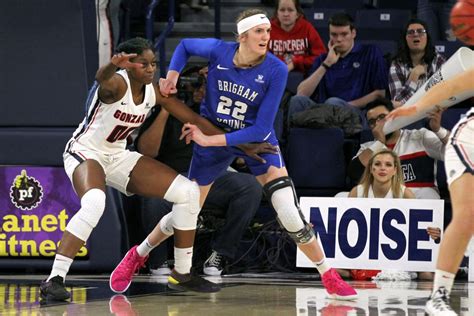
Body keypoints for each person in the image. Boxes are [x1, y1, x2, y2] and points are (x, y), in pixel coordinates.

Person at [157, 9, 357, 300]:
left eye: (268, 32)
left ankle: (328, 274)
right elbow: (185, 45)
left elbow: (262, 127)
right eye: (259, 32)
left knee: (289, 213)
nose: (266, 37)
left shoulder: (275, 69)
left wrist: (210, 140)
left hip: (255, 143)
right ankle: (140, 254)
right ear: (242, 36)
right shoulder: (219, 51)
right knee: (187, 210)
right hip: (215, 135)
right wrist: (172, 76)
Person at [39, 37, 239, 301]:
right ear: (128, 63)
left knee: (188, 192)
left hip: (118, 155)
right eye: (143, 63)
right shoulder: (116, 83)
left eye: (153, 64)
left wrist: (240, 146)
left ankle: (181, 273)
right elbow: (102, 79)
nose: (151, 69)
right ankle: (54, 279)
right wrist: (111, 65)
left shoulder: (153, 91)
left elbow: (193, 119)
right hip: (85, 152)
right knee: (95, 203)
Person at [135, 66, 262, 276]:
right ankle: (158, 260)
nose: (200, 88)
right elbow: (146, 151)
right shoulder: (165, 112)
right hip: (174, 177)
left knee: (250, 187)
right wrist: (168, 108)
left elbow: (240, 154)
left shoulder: (224, 112)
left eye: (205, 82)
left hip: (213, 178)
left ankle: (219, 253)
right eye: (197, 82)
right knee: (152, 197)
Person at [387, 67, 474, 316]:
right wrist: (415, 108)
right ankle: (439, 297)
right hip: (469, 139)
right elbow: (453, 85)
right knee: (467, 216)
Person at [286, 13, 387, 130]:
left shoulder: (370, 52)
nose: (339, 39)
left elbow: (380, 93)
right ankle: (292, 144)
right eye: (334, 35)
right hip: (323, 111)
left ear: (353, 33)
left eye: (344, 34)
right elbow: (302, 93)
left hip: (355, 112)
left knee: (333, 103)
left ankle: (328, 145)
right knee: (297, 101)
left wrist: (345, 105)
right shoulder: (323, 59)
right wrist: (326, 64)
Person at [348, 98, 449, 199]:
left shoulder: (420, 137)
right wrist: (379, 143)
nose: (377, 124)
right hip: (384, 200)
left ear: (395, 116)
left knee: (428, 194)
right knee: (341, 195)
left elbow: (457, 151)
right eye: (372, 122)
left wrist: (438, 130)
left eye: (382, 117)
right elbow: (354, 173)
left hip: (417, 198)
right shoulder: (368, 148)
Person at [389, 18, 446, 107]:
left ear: (427, 37)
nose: (416, 34)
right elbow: (397, 102)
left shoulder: (439, 60)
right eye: (411, 32)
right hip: (406, 118)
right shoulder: (397, 64)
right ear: (405, 39)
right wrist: (414, 76)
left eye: (420, 31)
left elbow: (443, 95)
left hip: (432, 114)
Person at [268, 0, 326, 74]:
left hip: (304, 75)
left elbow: (321, 56)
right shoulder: (268, 29)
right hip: (274, 74)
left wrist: (296, 63)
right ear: (277, 13)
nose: (286, 14)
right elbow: (260, 57)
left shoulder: (307, 28)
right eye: (282, 10)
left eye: (290, 10)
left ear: (297, 14)